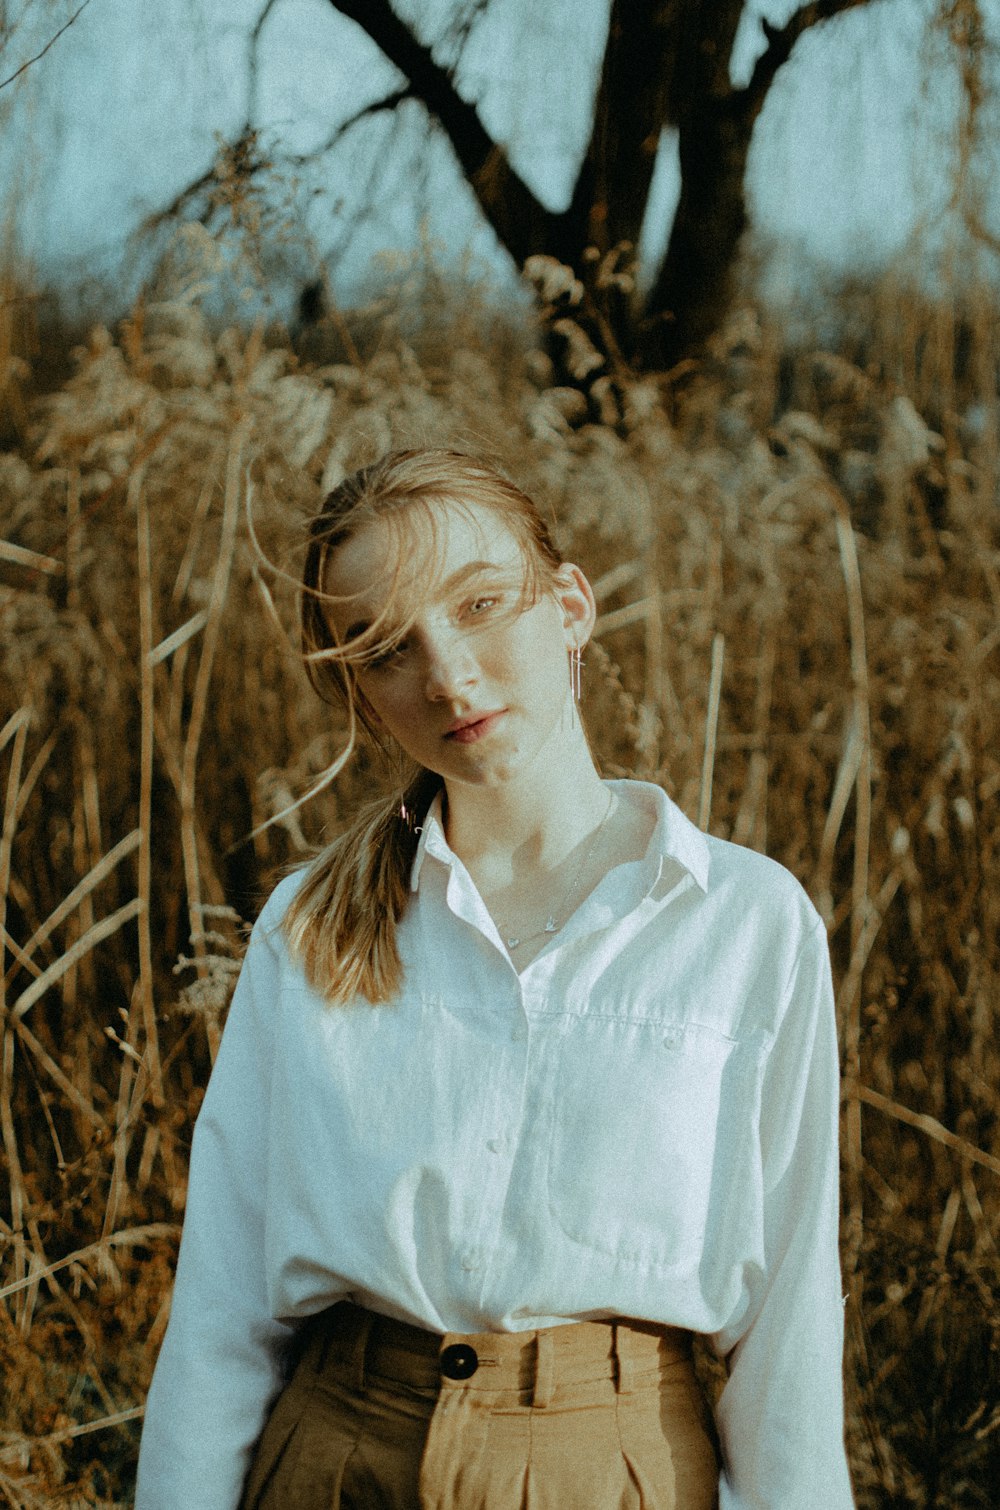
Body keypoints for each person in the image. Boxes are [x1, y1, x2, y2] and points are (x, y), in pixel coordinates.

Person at [135, 449, 855, 1509]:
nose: (446, 674)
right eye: (385, 648)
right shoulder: (312, 925)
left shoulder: (743, 922)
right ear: (355, 688)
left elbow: (788, 1322)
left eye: (479, 605)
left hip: (613, 1468)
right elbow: (221, 1306)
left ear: (569, 605)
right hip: (334, 1462)